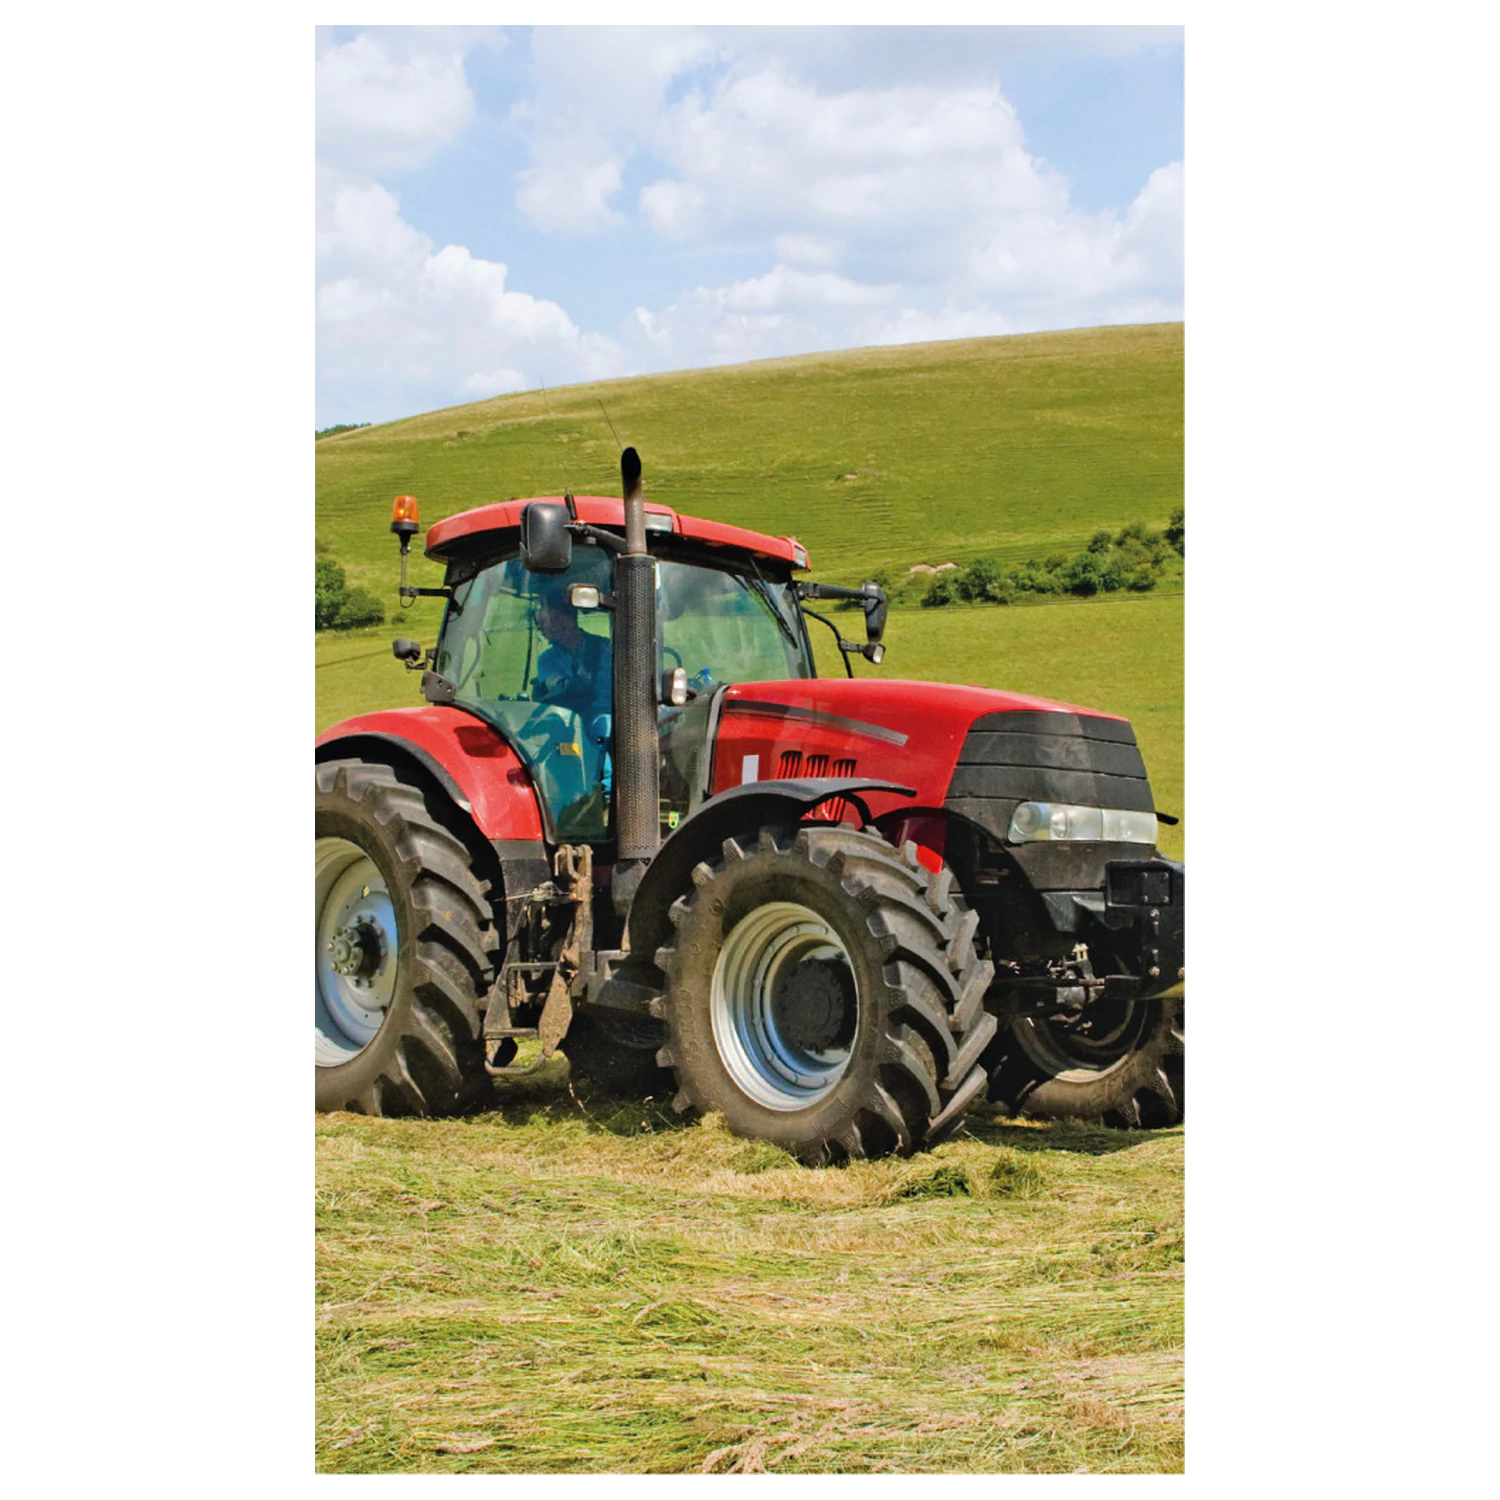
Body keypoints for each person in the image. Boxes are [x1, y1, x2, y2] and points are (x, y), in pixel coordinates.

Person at [531, 575, 612, 719]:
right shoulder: (547, 659)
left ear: (568, 619)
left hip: (604, 719)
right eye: (542, 624)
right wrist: (566, 684)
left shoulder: (606, 650)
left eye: (545, 621)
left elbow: (611, 694)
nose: (542, 629)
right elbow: (551, 686)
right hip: (565, 722)